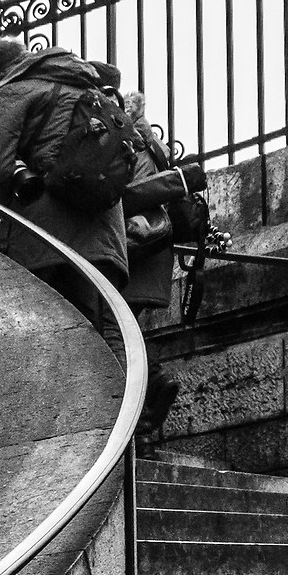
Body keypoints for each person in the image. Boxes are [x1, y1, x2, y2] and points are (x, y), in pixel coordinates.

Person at [0, 34, 129, 329]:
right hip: (108, 233)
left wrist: (19, 186)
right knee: (109, 332)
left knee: (71, 341)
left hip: (49, 241)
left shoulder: (9, 91)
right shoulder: (85, 82)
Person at [120, 91, 207, 445]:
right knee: (123, 331)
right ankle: (143, 416)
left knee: (114, 332)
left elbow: (132, 195)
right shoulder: (153, 143)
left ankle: (150, 393)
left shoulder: (133, 145)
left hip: (136, 252)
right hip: (154, 257)